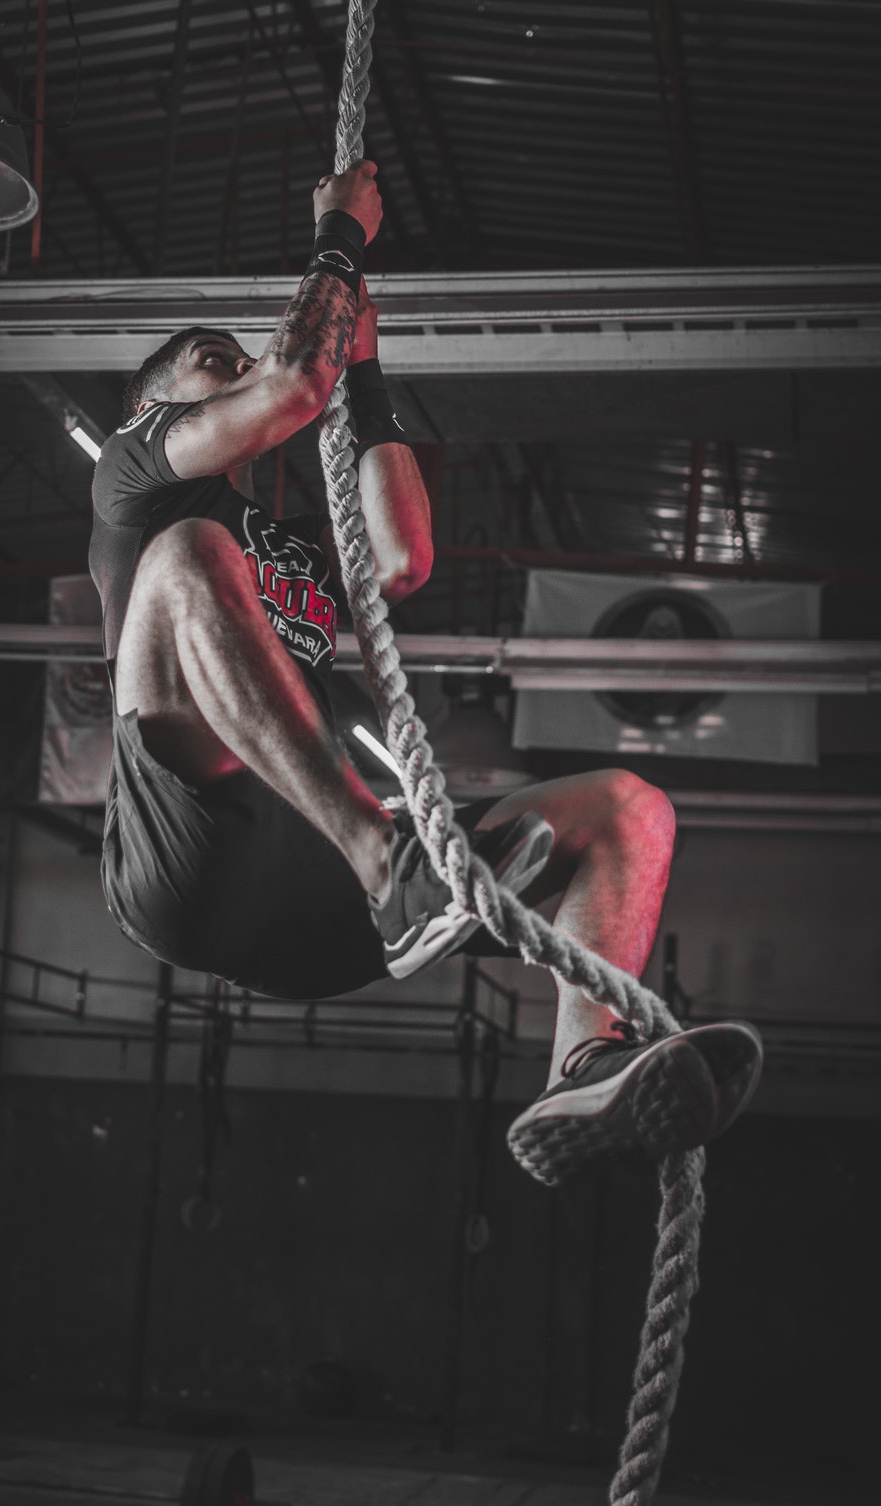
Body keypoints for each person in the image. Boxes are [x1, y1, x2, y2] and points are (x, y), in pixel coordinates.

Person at [89, 161, 762, 1178]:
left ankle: (584, 1061)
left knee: (631, 809)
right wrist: (339, 237)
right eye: (207, 360)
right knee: (186, 561)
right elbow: (288, 387)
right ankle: (382, 858)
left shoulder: (283, 549)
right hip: (190, 846)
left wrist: (364, 367)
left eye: (232, 356)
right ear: (154, 406)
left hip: (318, 923)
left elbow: (404, 555)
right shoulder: (133, 476)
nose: (232, 368)